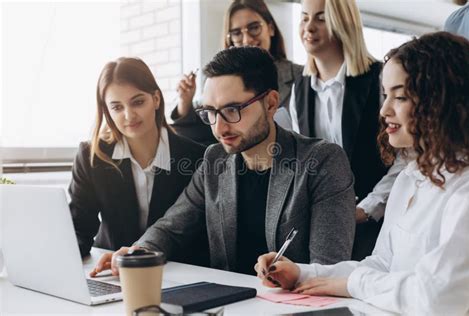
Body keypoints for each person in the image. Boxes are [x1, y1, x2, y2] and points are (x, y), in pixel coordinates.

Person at [255, 32, 469, 315]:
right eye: (386, 96)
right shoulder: (410, 179)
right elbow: (380, 265)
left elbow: (438, 299)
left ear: (442, 101)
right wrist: (303, 274)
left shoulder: (468, 190)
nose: (384, 110)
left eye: (401, 96)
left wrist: (351, 283)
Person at [90, 46, 356, 277]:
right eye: (211, 113)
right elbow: (172, 227)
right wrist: (139, 252)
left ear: (271, 103)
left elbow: (329, 270)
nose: (219, 127)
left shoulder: (322, 162)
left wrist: (295, 274)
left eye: (232, 110)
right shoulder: (215, 160)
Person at [287, 0, 408, 260]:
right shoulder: (299, 89)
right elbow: (303, 162)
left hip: (378, 224)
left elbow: (405, 159)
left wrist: (367, 209)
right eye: (304, 17)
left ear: (344, 23)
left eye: (321, 18)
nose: (309, 27)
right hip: (323, 225)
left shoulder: (378, 79)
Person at [69, 57, 207, 265]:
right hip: (109, 269)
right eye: (116, 107)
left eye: (138, 102)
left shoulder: (195, 158)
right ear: (107, 111)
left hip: (174, 272)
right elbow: (79, 230)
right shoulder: (92, 156)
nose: (129, 115)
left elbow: (197, 235)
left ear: (156, 99)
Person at [170, 0, 303, 145]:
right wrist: (185, 101)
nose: (246, 39)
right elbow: (197, 130)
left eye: (254, 28)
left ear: (270, 28)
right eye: (236, 33)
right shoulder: (219, 82)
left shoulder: (300, 77)